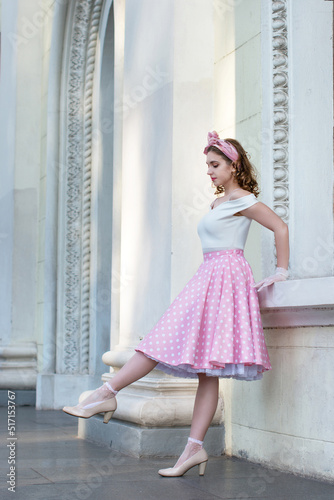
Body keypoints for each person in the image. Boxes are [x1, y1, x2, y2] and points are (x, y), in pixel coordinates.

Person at [63, 131, 289, 477]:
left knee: (167, 347)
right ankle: (192, 450)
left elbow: (280, 227)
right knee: (198, 366)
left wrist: (281, 272)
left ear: (234, 164)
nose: (209, 172)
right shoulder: (218, 204)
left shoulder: (244, 200)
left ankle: (105, 394)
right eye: (208, 165)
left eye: (215, 165)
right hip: (208, 277)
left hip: (225, 278)